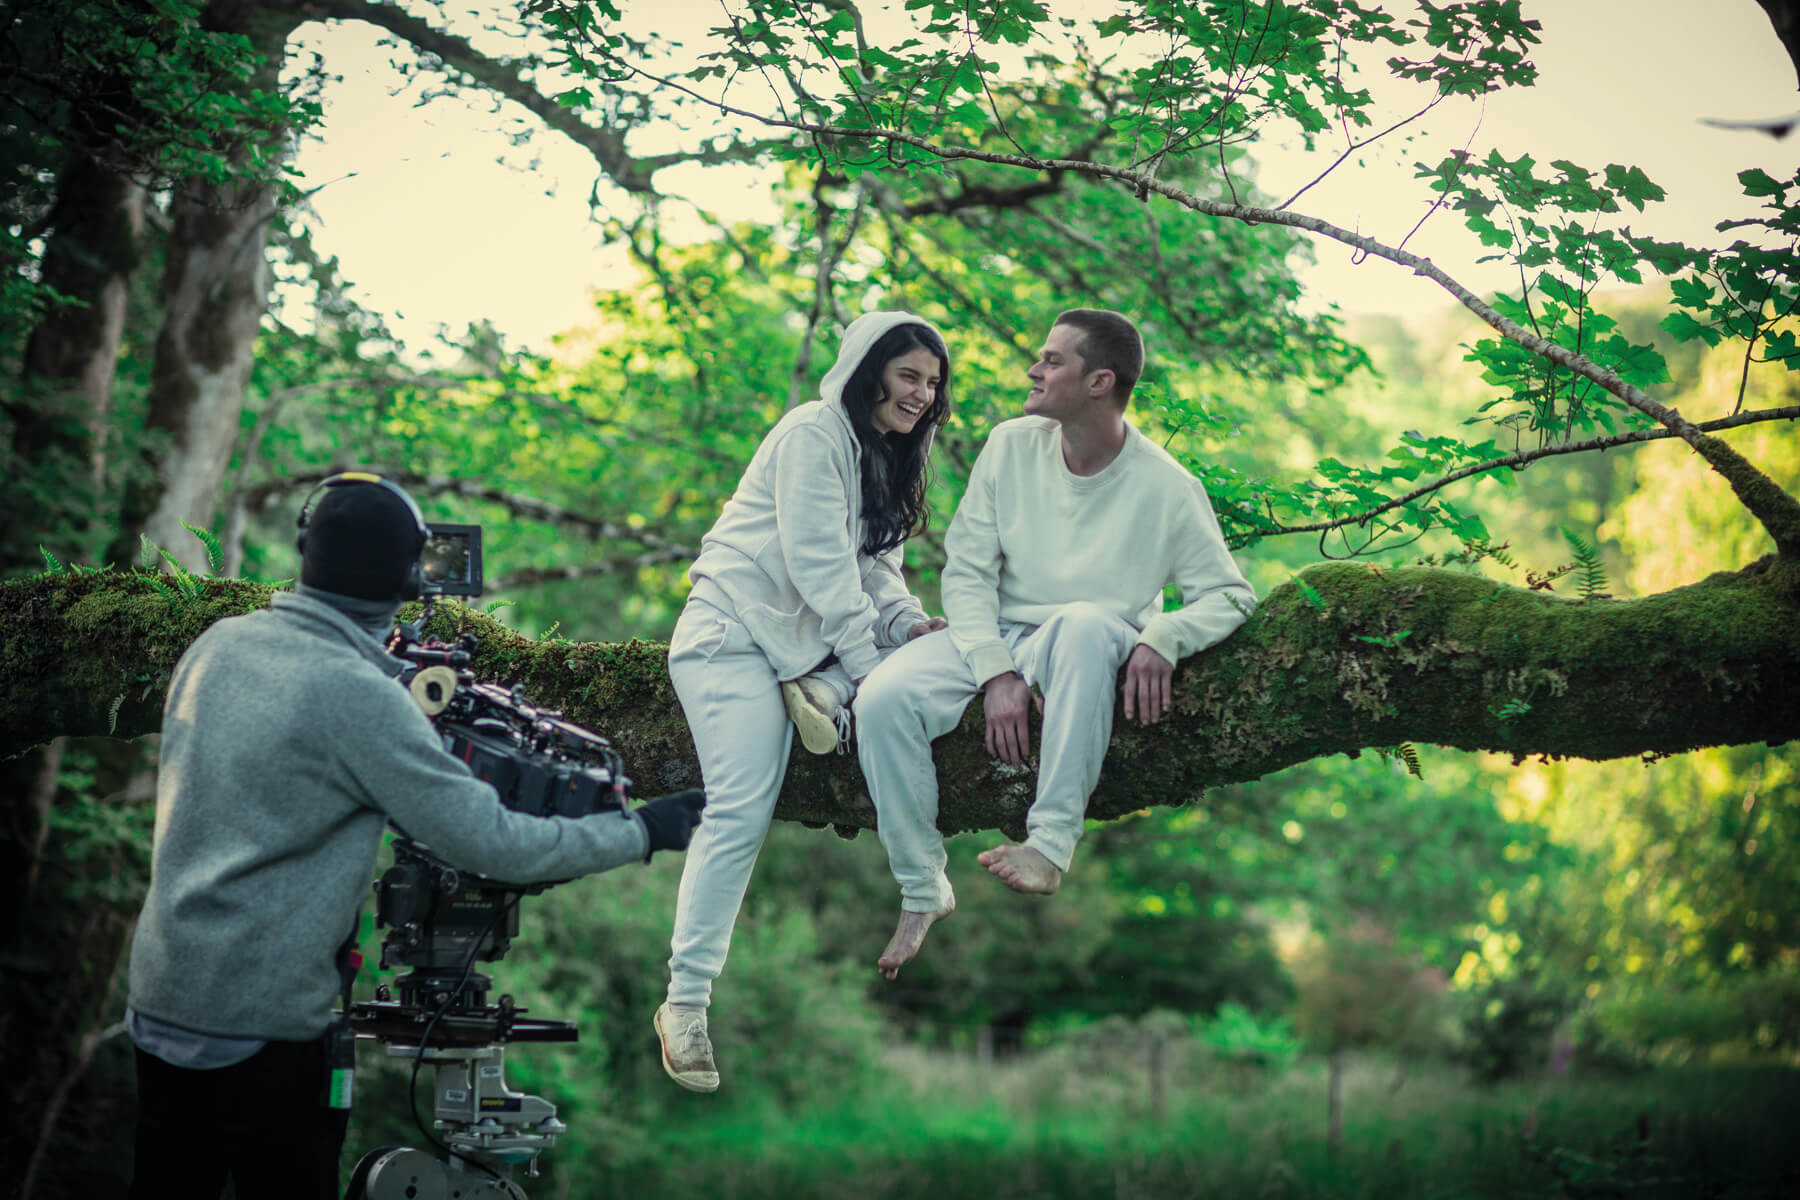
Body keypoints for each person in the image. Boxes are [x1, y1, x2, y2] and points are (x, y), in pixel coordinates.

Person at [125, 473, 705, 1200]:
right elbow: (495, 844)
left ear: (307, 550)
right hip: (264, 1023)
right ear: (408, 579)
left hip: (163, 993)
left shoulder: (221, 644)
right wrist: (645, 830)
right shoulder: (357, 695)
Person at [853, 309, 1256, 979]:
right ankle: (923, 885)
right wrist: (995, 674)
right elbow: (971, 572)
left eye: (1052, 360)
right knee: (880, 699)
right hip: (995, 634)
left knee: (1089, 622)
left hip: (1082, 644)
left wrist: (1164, 635)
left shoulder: (1168, 487)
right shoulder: (1011, 444)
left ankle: (1050, 845)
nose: (1034, 370)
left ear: (1099, 381)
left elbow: (1231, 595)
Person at [655, 310, 952, 1092]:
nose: (921, 394)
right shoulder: (812, 433)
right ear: (869, 370)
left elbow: (877, 572)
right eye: (908, 375)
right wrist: (874, 664)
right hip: (733, 635)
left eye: (932, 382)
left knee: (933, 664)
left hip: (813, 650)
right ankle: (685, 1001)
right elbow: (822, 567)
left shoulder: (887, 457)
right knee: (740, 807)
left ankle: (825, 691)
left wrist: (906, 625)